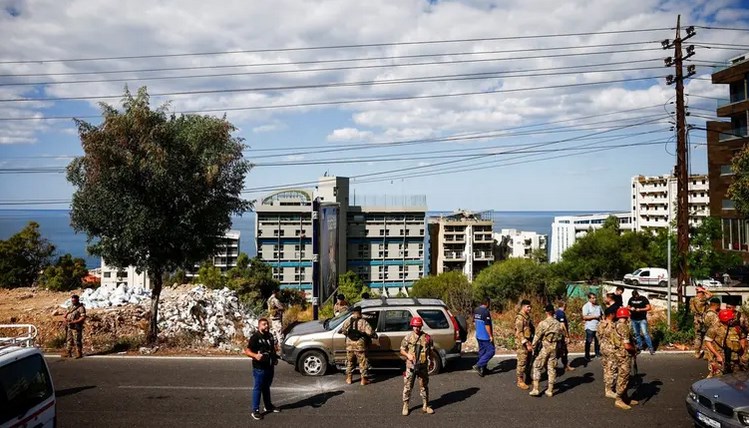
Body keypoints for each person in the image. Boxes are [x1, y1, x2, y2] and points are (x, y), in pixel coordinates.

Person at [244, 318, 280, 421]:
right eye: (264, 324)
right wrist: (255, 355)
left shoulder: (270, 336)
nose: (266, 326)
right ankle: (255, 410)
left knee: (266, 387)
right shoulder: (255, 337)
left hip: (269, 366)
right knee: (258, 388)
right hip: (259, 368)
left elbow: (272, 349)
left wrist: (274, 359)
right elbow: (247, 351)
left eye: (267, 324)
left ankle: (268, 406)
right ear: (259, 326)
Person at [400, 317, 434, 416]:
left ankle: (425, 405)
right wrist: (408, 355)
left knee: (424, 386)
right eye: (415, 326)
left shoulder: (427, 338)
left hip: (422, 366)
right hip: (411, 366)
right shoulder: (408, 337)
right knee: (408, 386)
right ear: (412, 326)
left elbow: (430, 351)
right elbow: (402, 350)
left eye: (418, 326)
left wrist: (431, 361)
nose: (417, 328)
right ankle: (405, 405)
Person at [529, 304, 562, 397]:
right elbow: (560, 335)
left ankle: (535, 389)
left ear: (546, 312)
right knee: (551, 368)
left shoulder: (543, 323)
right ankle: (550, 390)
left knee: (537, 365)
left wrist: (533, 345)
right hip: (554, 347)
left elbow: (537, 336)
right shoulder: (557, 323)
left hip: (545, 347)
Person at [338, 306, 376, 385]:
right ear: (360, 312)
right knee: (362, 362)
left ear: (353, 312)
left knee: (350, 362)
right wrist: (374, 335)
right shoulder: (363, 322)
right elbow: (370, 333)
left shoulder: (348, 321)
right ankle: (363, 380)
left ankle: (349, 379)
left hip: (349, 346)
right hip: (360, 346)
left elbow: (343, 331)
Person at [612, 307, 639, 410]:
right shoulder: (623, 327)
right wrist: (634, 350)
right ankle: (619, 399)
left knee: (622, 375)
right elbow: (627, 345)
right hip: (624, 355)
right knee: (623, 377)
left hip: (618, 354)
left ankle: (624, 397)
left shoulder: (616, 324)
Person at [704, 309, 743, 377]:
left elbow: (742, 338)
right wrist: (717, 355)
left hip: (735, 359)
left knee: (736, 380)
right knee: (718, 380)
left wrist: (741, 351)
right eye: (730, 319)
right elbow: (708, 342)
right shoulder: (715, 328)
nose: (732, 320)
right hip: (722, 359)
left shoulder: (735, 327)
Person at [597, 306, 619, 399]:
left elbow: (598, 337)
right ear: (611, 314)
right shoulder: (612, 325)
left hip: (603, 348)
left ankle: (608, 388)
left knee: (606, 369)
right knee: (612, 369)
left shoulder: (600, 324)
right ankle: (609, 390)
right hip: (611, 350)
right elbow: (616, 339)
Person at [515, 299, 534, 390]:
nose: (530, 308)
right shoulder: (520, 317)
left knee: (529, 360)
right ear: (523, 307)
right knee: (522, 361)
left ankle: (528, 377)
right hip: (522, 343)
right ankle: (520, 380)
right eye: (528, 306)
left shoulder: (527, 316)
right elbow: (519, 332)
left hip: (528, 341)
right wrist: (526, 344)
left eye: (530, 306)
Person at [473, 297, 495, 377]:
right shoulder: (486, 312)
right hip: (485, 336)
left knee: (482, 352)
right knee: (491, 351)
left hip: (478, 335)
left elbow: (474, 322)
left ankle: (483, 370)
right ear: (488, 303)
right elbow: (487, 325)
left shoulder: (476, 310)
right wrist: (490, 336)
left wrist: (478, 330)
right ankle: (478, 365)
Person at [627, 290, 654, 355]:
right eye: (634, 296)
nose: (635, 297)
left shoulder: (643, 298)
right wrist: (631, 309)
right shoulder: (631, 299)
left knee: (645, 333)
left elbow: (649, 307)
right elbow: (628, 306)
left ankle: (650, 347)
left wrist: (640, 309)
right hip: (634, 319)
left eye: (636, 296)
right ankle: (640, 346)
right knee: (637, 334)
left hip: (642, 319)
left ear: (638, 294)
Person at [690, 287, 713, 358]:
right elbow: (711, 294)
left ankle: (697, 353)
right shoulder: (702, 300)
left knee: (698, 337)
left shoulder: (692, 299)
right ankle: (706, 354)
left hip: (696, 320)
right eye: (703, 293)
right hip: (703, 321)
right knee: (706, 336)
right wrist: (703, 290)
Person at [554, 299, 574, 372]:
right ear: (564, 305)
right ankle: (562, 366)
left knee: (561, 350)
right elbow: (562, 325)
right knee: (563, 351)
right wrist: (567, 335)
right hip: (561, 335)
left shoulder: (556, 312)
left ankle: (564, 365)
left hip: (557, 335)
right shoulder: (561, 313)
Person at [64, 294, 86, 358]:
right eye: (72, 300)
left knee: (77, 340)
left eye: (74, 300)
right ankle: (68, 352)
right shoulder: (70, 307)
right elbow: (65, 315)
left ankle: (79, 353)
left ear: (77, 300)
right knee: (69, 339)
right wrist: (66, 319)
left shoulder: (81, 308)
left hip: (76, 327)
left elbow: (83, 317)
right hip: (70, 326)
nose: (73, 301)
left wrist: (74, 321)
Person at [582, 293, 602, 360]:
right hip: (590, 327)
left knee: (598, 341)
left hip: (598, 326)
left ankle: (597, 353)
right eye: (592, 298)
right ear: (589, 299)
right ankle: (587, 355)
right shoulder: (586, 306)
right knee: (589, 341)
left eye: (595, 298)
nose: (594, 299)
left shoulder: (598, 306)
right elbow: (584, 317)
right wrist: (594, 316)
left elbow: (602, 314)